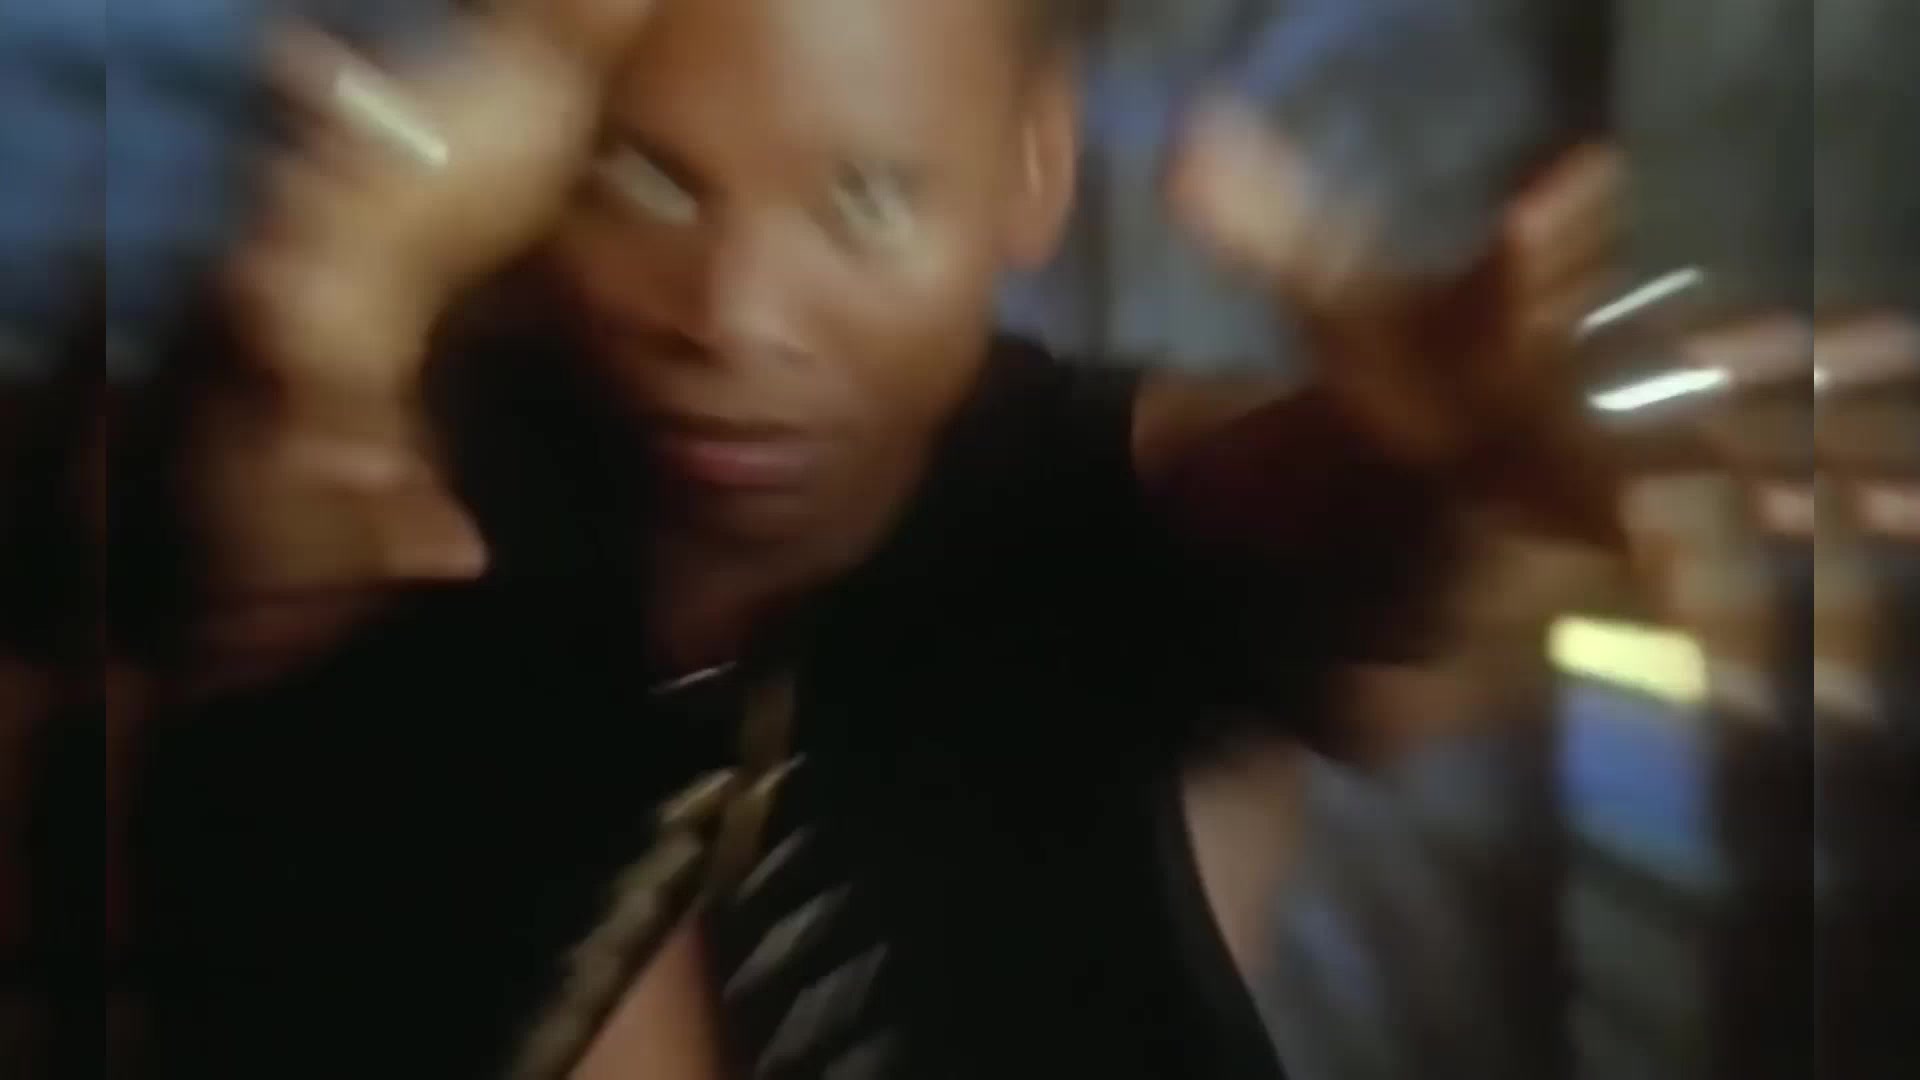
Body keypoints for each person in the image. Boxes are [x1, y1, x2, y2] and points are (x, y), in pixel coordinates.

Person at [123, 0, 1622, 1077]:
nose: (735, 319)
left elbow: (1363, 580)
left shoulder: (1125, 511)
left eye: (864, 200)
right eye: (645, 180)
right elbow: (227, 559)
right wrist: (322, 333)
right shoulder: (408, 443)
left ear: (1032, 170)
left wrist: (1448, 490)